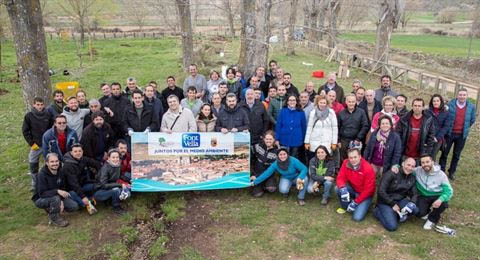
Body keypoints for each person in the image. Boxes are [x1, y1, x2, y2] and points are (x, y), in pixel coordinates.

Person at [32, 153, 79, 227]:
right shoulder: (42, 175)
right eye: (52, 162)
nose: (55, 163)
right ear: (47, 163)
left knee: (74, 206)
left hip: (56, 196)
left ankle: (53, 207)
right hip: (40, 199)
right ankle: (55, 218)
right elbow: (42, 193)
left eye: (56, 161)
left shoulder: (60, 171)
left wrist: (62, 200)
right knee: (55, 199)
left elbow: (63, 188)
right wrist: (57, 191)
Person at [439, 88, 476, 180]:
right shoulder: (450, 104)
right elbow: (444, 116)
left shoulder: (471, 107)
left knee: (456, 154)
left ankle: (452, 171)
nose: (462, 96)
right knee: (444, 152)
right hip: (449, 133)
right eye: (460, 95)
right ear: (457, 95)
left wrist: (465, 128)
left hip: (461, 135)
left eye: (464, 95)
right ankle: (441, 171)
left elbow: (472, 120)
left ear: (467, 96)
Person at [374, 157, 419, 231]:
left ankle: (396, 214)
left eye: (412, 166)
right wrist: (392, 204)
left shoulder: (412, 178)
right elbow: (381, 191)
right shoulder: (391, 173)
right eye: (408, 165)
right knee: (392, 226)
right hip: (386, 201)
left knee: (415, 210)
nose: (410, 168)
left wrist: (412, 203)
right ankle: (377, 212)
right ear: (403, 164)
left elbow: (415, 194)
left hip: (400, 200)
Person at [335, 148, 375, 221]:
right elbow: (340, 177)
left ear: (360, 157)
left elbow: (369, 190)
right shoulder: (345, 163)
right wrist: (343, 188)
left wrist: (356, 202)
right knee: (337, 189)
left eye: (355, 157)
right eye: (350, 157)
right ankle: (345, 206)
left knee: (357, 218)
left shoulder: (368, 168)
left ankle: (366, 204)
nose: (353, 160)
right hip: (354, 189)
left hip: (365, 194)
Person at [415, 154, 453, 230]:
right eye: (423, 162)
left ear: (432, 162)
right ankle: (426, 211)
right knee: (418, 213)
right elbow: (407, 168)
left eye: (427, 162)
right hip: (423, 196)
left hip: (437, 195)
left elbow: (449, 191)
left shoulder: (441, 175)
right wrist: (396, 167)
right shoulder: (418, 170)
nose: (425, 164)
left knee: (443, 203)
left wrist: (440, 199)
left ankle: (432, 219)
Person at [22, 97, 53, 190]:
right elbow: (25, 131)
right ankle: (34, 182)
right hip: (36, 145)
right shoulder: (29, 116)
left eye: (41, 104)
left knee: (50, 163)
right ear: (34, 105)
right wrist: (31, 143)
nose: (39, 107)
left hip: (47, 144)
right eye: (37, 105)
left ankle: (48, 182)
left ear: (44, 105)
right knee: (32, 162)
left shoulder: (48, 114)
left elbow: (52, 128)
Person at [62, 144, 102, 215]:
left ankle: (89, 198)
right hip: (71, 190)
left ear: (82, 151)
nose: (78, 153)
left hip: (82, 185)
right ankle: (85, 201)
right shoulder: (68, 165)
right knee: (82, 203)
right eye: (75, 151)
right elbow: (74, 185)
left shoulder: (83, 159)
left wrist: (99, 175)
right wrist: (83, 197)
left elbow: (97, 164)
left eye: (80, 151)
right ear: (71, 153)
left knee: (98, 185)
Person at [397, 98, 435, 162]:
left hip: (420, 155)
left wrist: (427, 153)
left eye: (419, 106)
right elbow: (398, 134)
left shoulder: (428, 120)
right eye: (415, 105)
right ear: (412, 106)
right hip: (405, 154)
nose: (417, 108)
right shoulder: (404, 119)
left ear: (423, 107)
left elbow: (430, 137)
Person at [95, 149, 130, 215]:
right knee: (116, 190)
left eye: (117, 157)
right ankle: (116, 208)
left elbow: (120, 176)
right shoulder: (105, 168)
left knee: (125, 189)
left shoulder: (118, 165)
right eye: (113, 157)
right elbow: (104, 185)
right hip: (99, 191)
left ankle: (110, 201)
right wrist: (120, 185)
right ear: (108, 158)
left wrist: (129, 180)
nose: (115, 159)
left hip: (109, 188)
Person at [304, 95, 338, 161]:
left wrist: (334, 142)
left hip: (327, 142)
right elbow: (309, 128)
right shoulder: (313, 113)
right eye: (321, 102)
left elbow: (335, 128)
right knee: (314, 160)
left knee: (326, 161)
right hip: (314, 142)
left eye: (324, 103)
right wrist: (307, 142)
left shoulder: (331, 113)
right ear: (317, 103)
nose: (322, 104)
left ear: (327, 103)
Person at [337, 94, 369, 161]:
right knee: (343, 160)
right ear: (346, 102)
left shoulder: (361, 112)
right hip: (343, 141)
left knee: (355, 159)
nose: (351, 103)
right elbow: (337, 127)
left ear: (355, 102)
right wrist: (338, 140)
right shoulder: (341, 113)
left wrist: (358, 138)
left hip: (356, 140)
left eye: (353, 101)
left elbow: (365, 126)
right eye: (349, 101)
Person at [250, 130, 279, 197]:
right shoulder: (258, 146)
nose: (268, 141)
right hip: (256, 172)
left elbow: (270, 170)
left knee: (271, 189)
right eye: (267, 139)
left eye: (270, 139)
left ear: (274, 140)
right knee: (257, 194)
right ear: (264, 139)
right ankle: (260, 185)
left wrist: (257, 177)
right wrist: (252, 174)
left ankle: (267, 183)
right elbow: (250, 158)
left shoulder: (276, 152)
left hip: (268, 174)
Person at [426, 94, 449, 162]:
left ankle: (431, 171)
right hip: (426, 137)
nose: (435, 102)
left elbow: (446, 127)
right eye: (434, 101)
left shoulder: (445, 112)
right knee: (424, 156)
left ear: (441, 102)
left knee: (432, 157)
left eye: (437, 101)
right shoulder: (427, 111)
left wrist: (437, 137)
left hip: (437, 139)